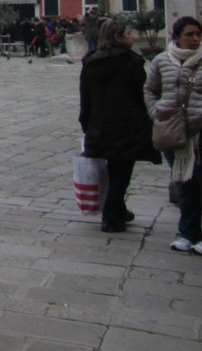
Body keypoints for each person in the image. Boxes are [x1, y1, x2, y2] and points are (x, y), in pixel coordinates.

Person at [79, 19, 161, 232]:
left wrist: (86, 124)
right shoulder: (131, 62)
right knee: (121, 173)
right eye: (129, 33)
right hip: (126, 125)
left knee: (114, 170)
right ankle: (111, 217)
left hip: (98, 125)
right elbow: (142, 95)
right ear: (118, 37)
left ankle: (119, 209)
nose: (133, 36)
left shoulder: (90, 63)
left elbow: (85, 99)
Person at [144, 15, 202, 253]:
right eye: (189, 34)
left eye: (198, 34)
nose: (195, 39)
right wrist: (155, 112)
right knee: (185, 183)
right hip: (172, 131)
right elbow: (150, 89)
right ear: (176, 36)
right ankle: (188, 232)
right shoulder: (162, 61)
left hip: (199, 131)